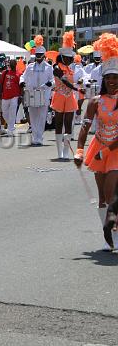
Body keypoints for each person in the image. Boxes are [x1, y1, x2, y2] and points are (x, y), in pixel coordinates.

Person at [74, 33, 118, 251]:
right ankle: (107, 236)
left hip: (115, 150)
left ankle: (114, 231)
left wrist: (107, 150)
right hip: (99, 147)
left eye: (116, 78)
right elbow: (84, 127)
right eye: (109, 77)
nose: (112, 81)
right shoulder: (94, 102)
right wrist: (80, 150)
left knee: (112, 193)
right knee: (102, 197)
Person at [51, 31, 81, 160]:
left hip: (69, 97)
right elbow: (63, 80)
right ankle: (59, 152)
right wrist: (75, 87)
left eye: (71, 58)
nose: (70, 60)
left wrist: (79, 83)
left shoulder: (70, 68)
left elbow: (72, 80)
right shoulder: (56, 67)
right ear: (62, 57)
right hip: (59, 96)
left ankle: (66, 151)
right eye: (68, 58)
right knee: (58, 123)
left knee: (68, 123)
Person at [19, 37, 54, 146]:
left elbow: (53, 80)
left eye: (40, 55)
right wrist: (22, 82)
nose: (38, 57)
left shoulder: (49, 67)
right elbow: (23, 76)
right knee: (33, 116)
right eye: (37, 55)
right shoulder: (29, 66)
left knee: (42, 116)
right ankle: (35, 137)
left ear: (43, 56)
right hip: (32, 94)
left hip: (43, 94)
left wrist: (50, 83)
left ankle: (39, 137)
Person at [0, 59, 21, 136]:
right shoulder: (4, 73)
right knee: (4, 113)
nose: (10, 65)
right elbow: (1, 83)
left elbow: (20, 86)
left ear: (15, 64)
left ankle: (10, 130)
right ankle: (11, 125)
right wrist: (0, 92)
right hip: (5, 95)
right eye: (10, 64)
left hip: (14, 96)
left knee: (12, 113)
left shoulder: (19, 73)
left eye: (12, 64)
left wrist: (20, 96)